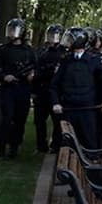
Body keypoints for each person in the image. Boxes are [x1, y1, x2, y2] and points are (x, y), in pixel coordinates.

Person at [50, 27, 102, 149]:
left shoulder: (94, 60)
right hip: (68, 109)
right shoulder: (65, 61)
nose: (67, 42)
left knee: (90, 144)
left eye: (70, 39)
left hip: (88, 110)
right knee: (67, 145)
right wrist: (55, 102)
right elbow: (54, 85)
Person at [0, 18, 38, 159]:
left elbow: (36, 67)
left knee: (20, 119)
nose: (11, 33)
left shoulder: (29, 51)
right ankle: (1, 147)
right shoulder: (3, 50)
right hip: (8, 89)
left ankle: (14, 147)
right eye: (10, 30)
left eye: (14, 30)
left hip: (23, 88)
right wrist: (4, 77)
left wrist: (32, 75)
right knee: (7, 117)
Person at [33, 24, 64, 153]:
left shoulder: (64, 53)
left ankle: (56, 145)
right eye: (50, 36)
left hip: (56, 92)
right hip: (42, 90)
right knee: (39, 120)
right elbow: (37, 73)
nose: (51, 39)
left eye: (54, 36)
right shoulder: (42, 53)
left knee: (58, 120)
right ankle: (41, 145)